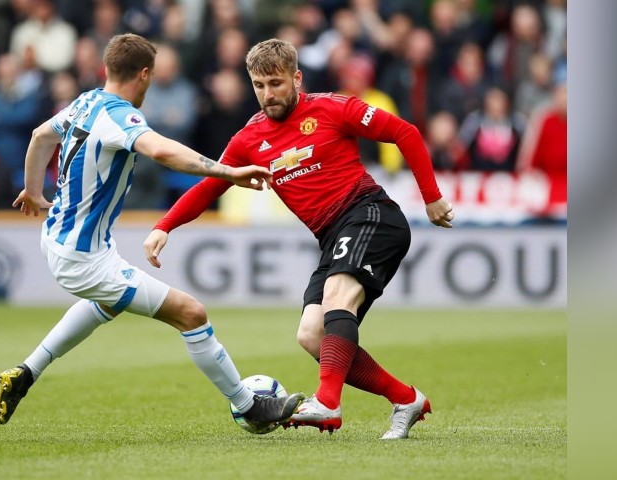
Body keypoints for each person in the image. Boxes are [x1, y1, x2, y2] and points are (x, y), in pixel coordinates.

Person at [144, 39, 454, 440]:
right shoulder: (248, 139)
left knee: (338, 298)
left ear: (296, 77)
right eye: (258, 85)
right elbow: (209, 186)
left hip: (370, 214)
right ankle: (406, 398)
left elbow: (405, 132)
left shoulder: (333, 107)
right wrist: (164, 226)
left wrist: (432, 198)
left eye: (275, 83)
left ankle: (327, 402)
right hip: (332, 235)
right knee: (312, 335)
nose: (267, 94)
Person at [0, 34, 304, 428]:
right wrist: (228, 171)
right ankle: (248, 405)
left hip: (61, 240)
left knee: (106, 303)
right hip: (83, 257)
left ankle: (27, 371)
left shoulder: (86, 101)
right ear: (144, 74)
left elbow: (40, 137)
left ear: (107, 69)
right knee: (191, 313)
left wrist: (34, 191)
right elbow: (162, 150)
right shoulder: (119, 115)